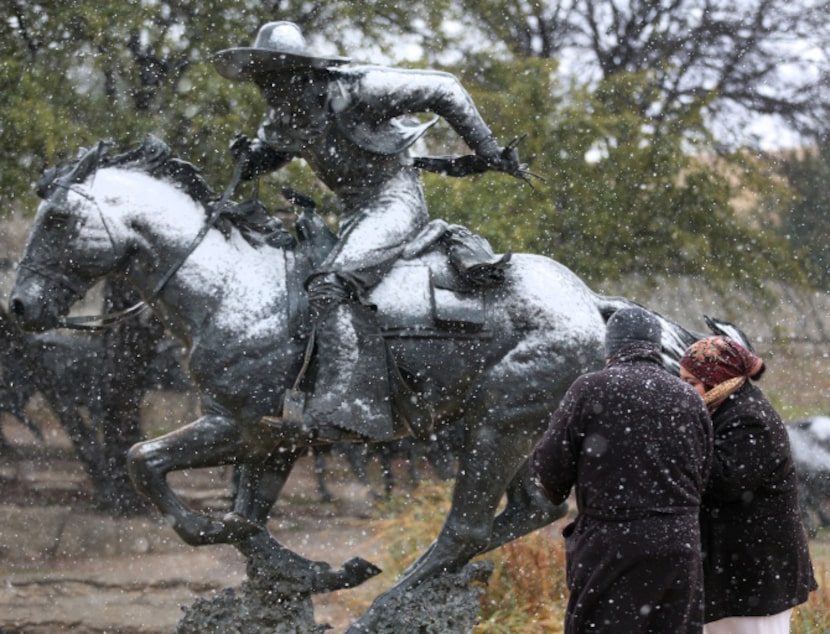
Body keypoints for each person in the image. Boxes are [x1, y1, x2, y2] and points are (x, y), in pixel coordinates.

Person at [212, 21, 522, 440]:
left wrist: (487, 151)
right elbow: (270, 155)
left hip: (394, 201)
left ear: (303, 73)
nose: (269, 93)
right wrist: (248, 159)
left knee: (329, 285)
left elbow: (445, 89)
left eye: (276, 81)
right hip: (353, 214)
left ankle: (342, 406)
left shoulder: (360, 89)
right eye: (263, 83)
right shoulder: (287, 116)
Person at [531, 306, 714, 633]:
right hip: (679, 545)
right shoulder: (690, 398)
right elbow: (703, 473)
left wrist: (556, 491)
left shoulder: (590, 389)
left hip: (612, 544)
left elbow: (549, 464)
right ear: (656, 348)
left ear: (610, 349)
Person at [679, 336, 817, 634]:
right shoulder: (721, 411)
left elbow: (724, 481)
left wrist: (678, 442)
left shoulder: (752, 419)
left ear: (716, 380)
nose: (684, 390)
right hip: (736, 568)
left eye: (690, 382)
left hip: (758, 572)